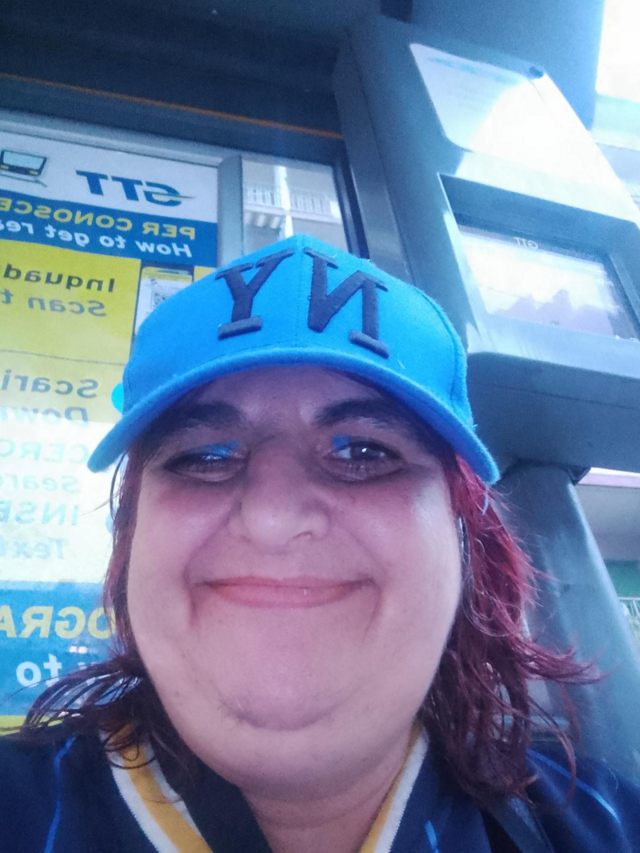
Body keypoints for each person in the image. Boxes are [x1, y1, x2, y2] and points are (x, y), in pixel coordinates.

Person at [1, 235, 638, 853]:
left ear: (463, 538)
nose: (274, 517)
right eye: (205, 456)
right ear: (132, 532)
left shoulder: (608, 827)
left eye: (363, 451)